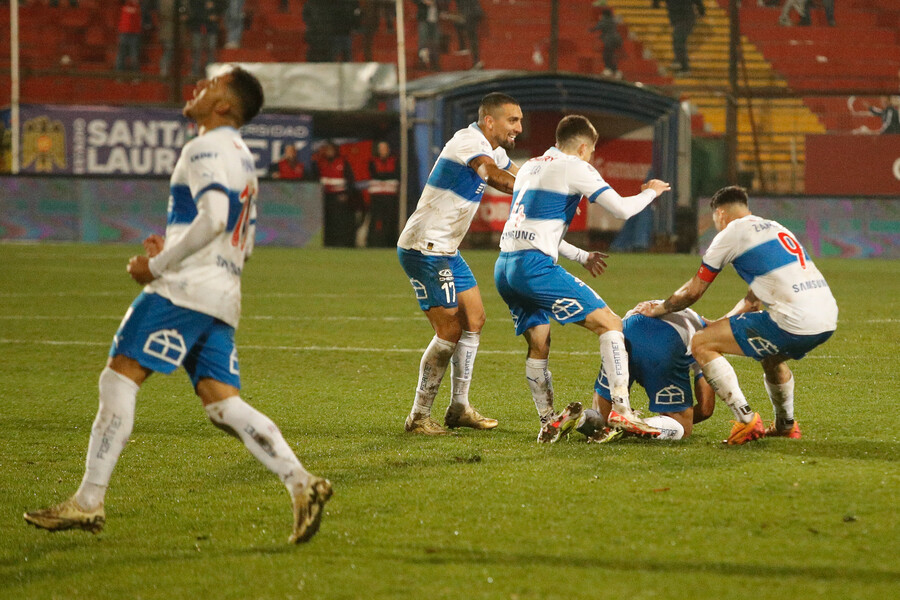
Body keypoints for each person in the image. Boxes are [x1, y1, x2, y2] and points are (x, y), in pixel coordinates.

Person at [23, 66, 332, 544]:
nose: (197, 89)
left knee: (120, 371)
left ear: (225, 105)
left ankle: (88, 501)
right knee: (220, 402)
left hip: (185, 288)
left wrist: (159, 265)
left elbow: (214, 217)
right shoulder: (243, 158)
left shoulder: (205, 146)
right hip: (222, 292)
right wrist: (170, 243)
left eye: (209, 86)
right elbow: (239, 239)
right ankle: (301, 482)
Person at [493, 114, 671, 442]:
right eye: (590, 154)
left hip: (505, 267)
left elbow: (535, 227)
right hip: (535, 268)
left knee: (539, 341)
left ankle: (548, 420)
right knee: (611, 324)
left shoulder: (531, 166)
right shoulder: (574, 166)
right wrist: (651, 193)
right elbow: (621, 210)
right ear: (583, 147)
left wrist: (582, 256)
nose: (590, 159)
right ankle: (622, 409)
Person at [636, 185, 838, 444]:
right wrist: (721, 323)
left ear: (720, 214)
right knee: (772, 357)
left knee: (701, 342)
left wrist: (660, 308)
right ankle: (785, 424)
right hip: (826, 317)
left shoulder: (731, 233)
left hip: (794, 321)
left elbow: (693, 291)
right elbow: (753, 301)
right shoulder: (776, 227)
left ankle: (746, 421)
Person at [397, 92, 522, 435]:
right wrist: (532, 192)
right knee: (449, 330)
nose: (519, 128)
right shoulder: (468, 142)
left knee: (475, 319)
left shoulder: (493, 150)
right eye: (513, 120)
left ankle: (459, 407)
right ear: (489, 121)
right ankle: (419, 416)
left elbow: (519, 172)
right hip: (424, 247)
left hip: (447, 249)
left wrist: (552, 182)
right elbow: (494, 175)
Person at [576, 305, 715, 443]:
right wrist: (679, 420)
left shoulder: (690, 318)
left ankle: (591, 420)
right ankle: (632, 426)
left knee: (602, 420)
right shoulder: (708, 340)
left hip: (624, 331)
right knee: (682, 427)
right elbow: (705, 409)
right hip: (663, 342)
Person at [313, 141, 359, 247]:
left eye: (331, 150)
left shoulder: (342, 162)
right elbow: (315, 180)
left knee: (339, 222)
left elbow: (350, 180)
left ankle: (340, 244)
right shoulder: (320, 162)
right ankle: (327, 243)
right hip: (324, 196)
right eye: (327, 150)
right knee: (326, 221)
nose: (330, 152)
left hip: (339, 197)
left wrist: (347, 194)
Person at [652, 0, 705, 75]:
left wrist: (702, 11)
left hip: (686, 20)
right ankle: (678, 61)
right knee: (677, 40)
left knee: (678, 40)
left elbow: (698, 2)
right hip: (678, 20)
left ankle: (684, 67)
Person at [367, 141, 400, 247]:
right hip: (376, 196)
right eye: (381, 148)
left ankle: (389, 242)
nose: (383, 151)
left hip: (390, 195)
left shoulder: (394, 160)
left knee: (390, 219)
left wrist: (383, 176)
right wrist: (386, 176)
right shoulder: (373, 161)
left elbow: (396, 174)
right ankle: (373, 242)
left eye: (385, 148)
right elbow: (375, 174)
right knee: (375, 219)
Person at [591, 7, 623, 78]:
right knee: (610, 55)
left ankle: (609, 70)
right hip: (616, 40)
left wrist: (590, 30)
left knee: (606, 56)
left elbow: (597, 27)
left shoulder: (604, 20)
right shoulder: (612, 20)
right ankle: (615, 71)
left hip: (609, 40)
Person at [114, 0, 142, 72]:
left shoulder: (139, 7)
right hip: (124, 32)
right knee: (121, 55)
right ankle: (119, 74)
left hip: (134, 33)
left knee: (134, 56)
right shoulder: (125, 5)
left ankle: (135, 75)